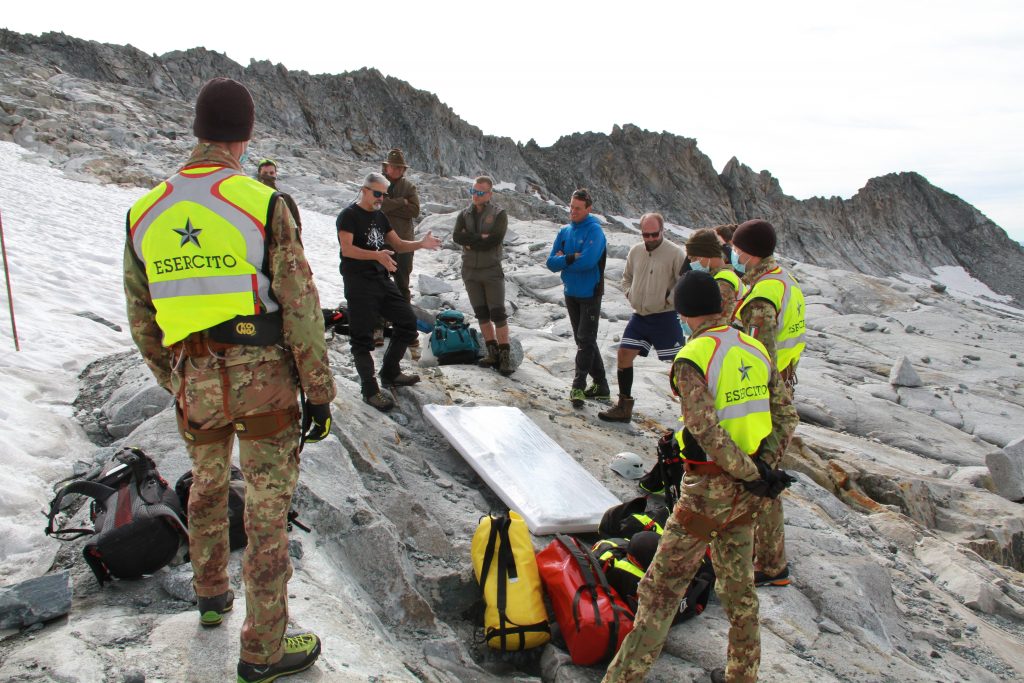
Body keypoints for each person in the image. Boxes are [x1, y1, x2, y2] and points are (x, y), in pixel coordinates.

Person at [123, 77, 334, 683]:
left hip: (194, 376)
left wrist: (177, 377)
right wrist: (318, 392)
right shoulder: (260, 201)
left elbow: (142, 317)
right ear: (245, 134)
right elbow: (299, 304)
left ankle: (211, 595)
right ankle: (264, 647)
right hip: (263, 376)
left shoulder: (145, 209)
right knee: (267, 507)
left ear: (197, 129)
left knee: (207, 486)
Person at [602, 271, 799, 683]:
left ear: (684, 312)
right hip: (748, 495)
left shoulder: (694, 357)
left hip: (707, 491)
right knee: (740, 592)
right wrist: (763, 470)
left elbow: (705, 430)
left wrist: (747, 473)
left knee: (659, 592)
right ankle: (742, 676)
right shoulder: (755, 348)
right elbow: (785, 414)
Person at [730, 218, 806, 588]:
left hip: (768, 400)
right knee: (763, 478)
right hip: (785, 386)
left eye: (736, 247)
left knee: (762, 480)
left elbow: (760, 357)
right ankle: (767, 559)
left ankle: (772, 565)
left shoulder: (762, 296)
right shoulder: (782, 279)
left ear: (748, 251)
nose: (734, 252)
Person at [337, 172, 440, 411]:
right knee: (362, 339)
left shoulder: (381, 217)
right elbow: (347, 249)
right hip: (358, 283)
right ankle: (369, 390)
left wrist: (421, 244)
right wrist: (377, 255)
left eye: (384, 195)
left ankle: (390, 372)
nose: (380, 198)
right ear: (364, 190)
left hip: (381, 280)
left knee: (406, 322)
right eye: (376, 193)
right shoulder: (349, 216)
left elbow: (399, 244)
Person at [598, 212, 686, 422]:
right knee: (624, 355)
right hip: (640, 315)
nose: (650, 239)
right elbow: (626, 277)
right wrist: (630, 293)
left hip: (666, 316)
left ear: (662, 231)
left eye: (654, 234)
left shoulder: (675, 253)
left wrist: (668, 300)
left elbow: (684, 281)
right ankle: (623, 407)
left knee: (682, 364)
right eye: (645, 235)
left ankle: (692, 413)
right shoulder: (636, 251)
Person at [545, 189, 608, 407]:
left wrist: (565, 261)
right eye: (571, 206)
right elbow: (551, 263)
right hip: (570, 291)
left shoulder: (595, 231)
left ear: (588, 209)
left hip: (590, 292)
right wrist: (571, 257)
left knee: (585, 340)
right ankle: (602, 386)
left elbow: (589, 262)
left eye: (577, 208)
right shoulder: (565, 231)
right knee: (584, 340)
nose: (572, 211)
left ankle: (578, 387)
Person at [452, 175, 514, 375]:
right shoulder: (464, 213)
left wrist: (470, 241)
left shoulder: (499, 214)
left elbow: (494, 239)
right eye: (473, 191)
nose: (475, 196)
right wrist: (479, 238)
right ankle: (492, 352)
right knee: (481, 313)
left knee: (498, 313)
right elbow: (456, 237)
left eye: (479, 192)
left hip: (491, 270)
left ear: (489, 194)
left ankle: (505, 357)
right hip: (470, 271)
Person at [380, 148, 423, 358]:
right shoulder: (379, 182)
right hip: (381, 242)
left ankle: (405, 329)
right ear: (386, 166)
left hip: (405, 242)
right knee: (379, 283)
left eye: (399, 167)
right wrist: (401, 202)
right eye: (392, 166)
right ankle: (378, 327)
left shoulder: (409, 186)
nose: (395, 169)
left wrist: (391, 206)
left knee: (402, 284)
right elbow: (379, 205)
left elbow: (415, 210)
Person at [686, 227, 744, 321]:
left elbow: (719, 322)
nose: (692, 263)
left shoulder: (722, 282)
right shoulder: (723, 276)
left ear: (707, 254)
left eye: (694, 258)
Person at [256, 158, 302, 230]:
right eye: (265, 173)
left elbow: (296, 227)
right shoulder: (252, 195)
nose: (268, 176)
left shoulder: (286, 199)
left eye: (271, 173)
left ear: (276, 174)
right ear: (259, 174)